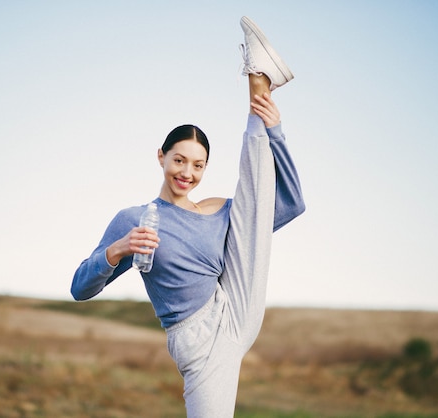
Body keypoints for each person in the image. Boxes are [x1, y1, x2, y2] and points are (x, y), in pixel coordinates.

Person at [71, 16, 305, 417]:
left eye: (198, 165)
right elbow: (80, 288)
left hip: (232, 302)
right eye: (179, 160)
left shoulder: (217, 211)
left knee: (249, 201)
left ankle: (258, 83)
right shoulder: (136, 219)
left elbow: (290, 203)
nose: (187, 173)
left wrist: (276, 130)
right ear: (161, 157)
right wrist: (116, 251)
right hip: (198, 339)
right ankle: (259, 79)